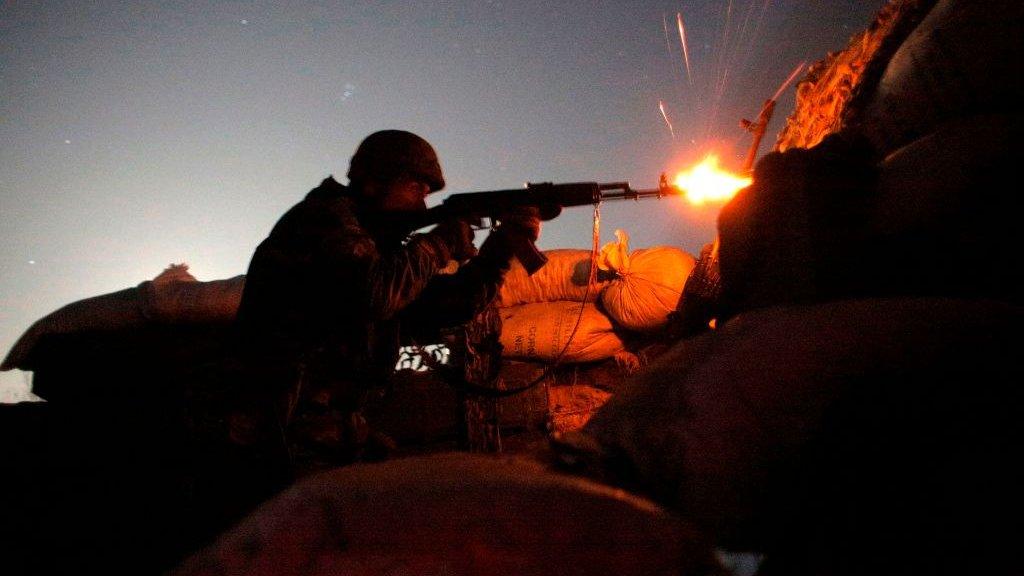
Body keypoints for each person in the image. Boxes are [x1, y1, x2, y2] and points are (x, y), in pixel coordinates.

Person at [230, 130, 539, 478]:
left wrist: (498, 253)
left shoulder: (378, 248)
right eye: (416, 189)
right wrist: (439, 244)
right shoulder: (323, 220)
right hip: (274, 433)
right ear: (375, 180)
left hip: (324, 431)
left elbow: (444, 307)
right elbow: (374, 295)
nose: (424, 206)